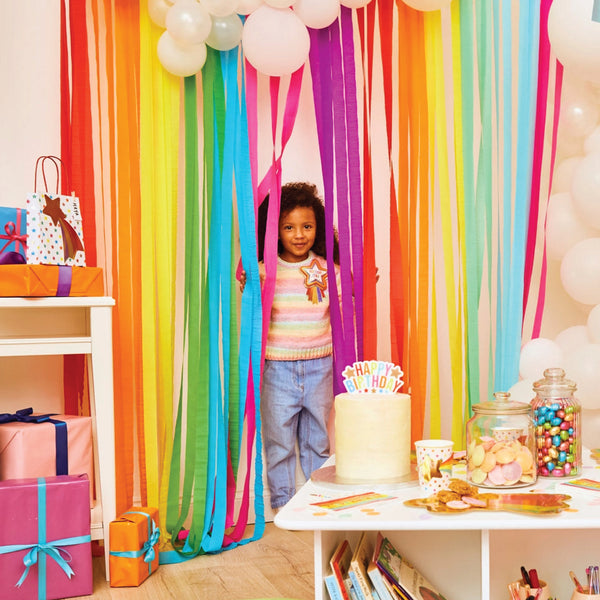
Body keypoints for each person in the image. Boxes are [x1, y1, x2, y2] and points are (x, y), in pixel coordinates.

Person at [240, 181, 340, 510]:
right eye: (289, 227)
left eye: (307, 226)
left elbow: (352, 287)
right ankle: (284, 504)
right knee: (278, 441)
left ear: (317, 228)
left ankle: (318, 501)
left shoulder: (325, 269)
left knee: (317, 440)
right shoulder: (265, 272)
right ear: (275, 231)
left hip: (319, 366)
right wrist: (247, 282)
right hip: (278, 368)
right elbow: (249, 294)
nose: (299, 235)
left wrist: (364, 282)